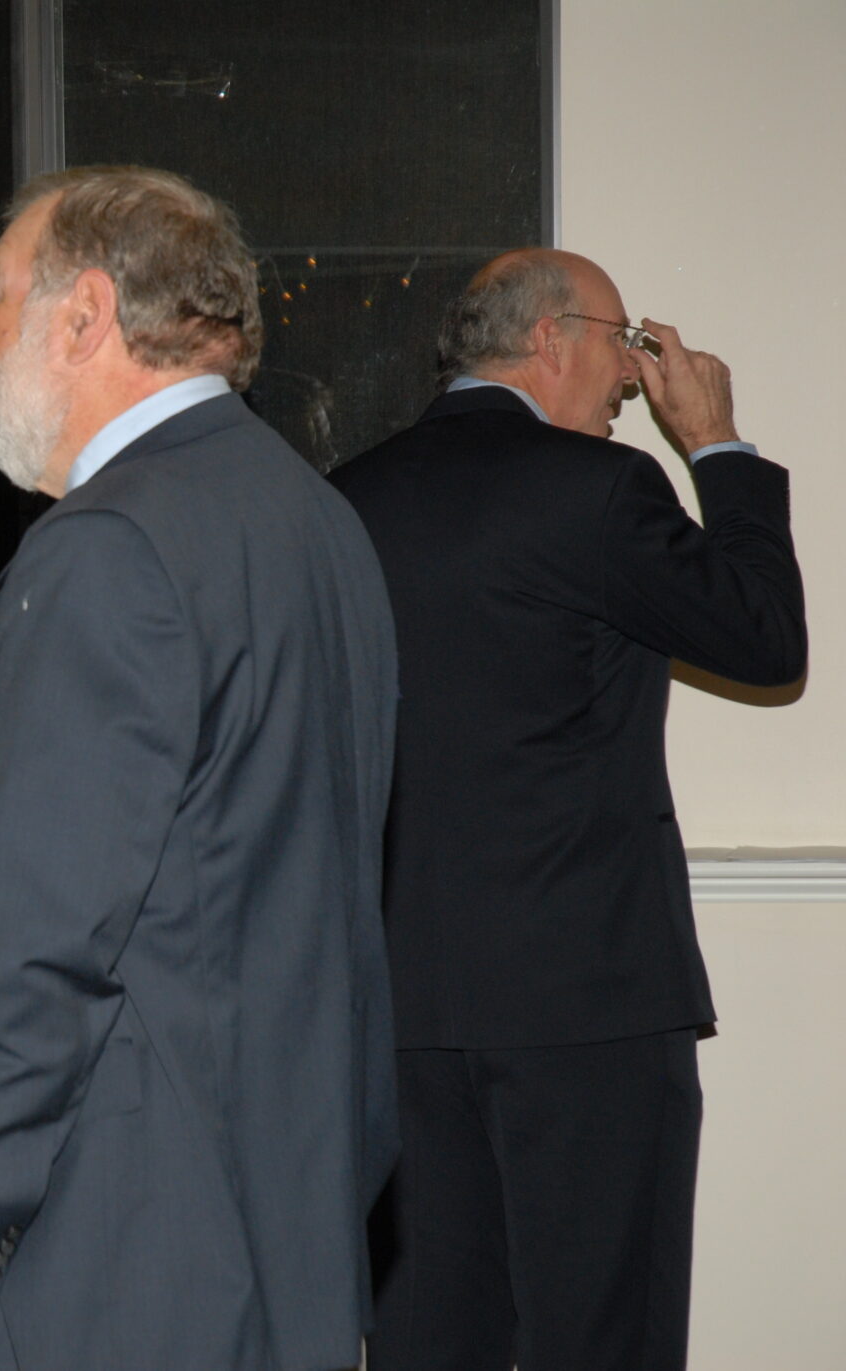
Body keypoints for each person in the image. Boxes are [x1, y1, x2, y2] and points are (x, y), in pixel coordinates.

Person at [0, 165, 401, 1370]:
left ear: (83, 316)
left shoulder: (108, 549)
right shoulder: (313, 520)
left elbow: (41, 957)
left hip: (98, 1254)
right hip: (272, 1230)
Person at [331, 249, 805, 1371]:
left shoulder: (343, 498)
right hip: (587, 1011)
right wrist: (716, 446)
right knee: (602, 1338)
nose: (632, 377)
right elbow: (763, 639)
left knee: (427, 1342)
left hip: (396, 1013)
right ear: (548, 339)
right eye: (621, 342)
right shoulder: (596, 488)